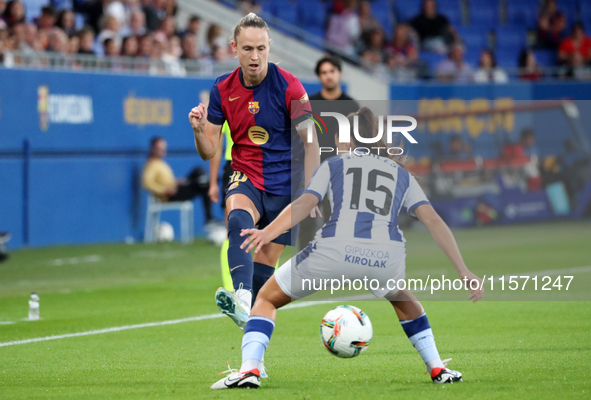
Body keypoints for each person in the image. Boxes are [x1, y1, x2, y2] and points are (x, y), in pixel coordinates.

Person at [210, 107, 484, 390]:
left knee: (265, 299)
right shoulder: (401, 174)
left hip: (333, 253)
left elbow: (305, 204)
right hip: (384, 258)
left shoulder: (334, 165)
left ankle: (250, 370)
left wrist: (267, 232)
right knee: (403, 299)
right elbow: (433, 221)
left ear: (351, 141)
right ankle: (437, 367)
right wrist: (463, 270)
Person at [188, 14, 320, 334]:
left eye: (261, 48)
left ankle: (252, 353)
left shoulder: (291, 86)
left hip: (287, 185)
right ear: (234, 48)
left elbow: (311, 141)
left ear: (269, 46)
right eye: (247, 48)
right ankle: (242, 298)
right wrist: (196, 130)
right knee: (237, 219)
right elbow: (208, 150)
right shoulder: (222, 88)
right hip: (245, 172)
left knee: (265, 279)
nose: (255, 56)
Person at [298, 55, 359, 250]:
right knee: (307, 218)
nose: (328, 76)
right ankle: (304, 265)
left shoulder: (351, 106)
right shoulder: (311, 103)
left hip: (340, 172)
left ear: (339, 74)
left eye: (332, 71)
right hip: (313, 171)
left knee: (335, 221)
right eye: (324, 73)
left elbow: (357, 142)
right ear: (319, 77)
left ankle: (332, 266)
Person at [142, 136, 214, 224]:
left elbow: (166, 181)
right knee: (204, 185)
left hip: (175, 187)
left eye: (163, 148)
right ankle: (209, 218)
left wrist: (177, 182)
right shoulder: (151, 164)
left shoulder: (161, 163)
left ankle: (205, 181)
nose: (162, 150)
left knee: (199, 172)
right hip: (170, 195)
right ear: (152, 148)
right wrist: (163, 191)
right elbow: (146, 183)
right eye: (159, 148)